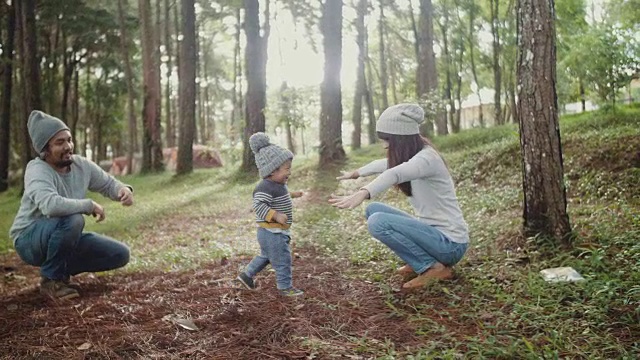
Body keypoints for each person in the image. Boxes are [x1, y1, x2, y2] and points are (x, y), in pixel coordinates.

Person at [329, 103, 469, 289]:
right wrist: (355, 173)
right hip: (433, 235)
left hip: (450, 244)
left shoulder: (426, 159)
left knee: (378, 222)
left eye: (387, 140)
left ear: (401, 139)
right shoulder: (415, 155)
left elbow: (393, 173)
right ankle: (421, 258)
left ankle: (433, 268)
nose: (384, 146)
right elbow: (383, 164)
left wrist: (364, 192)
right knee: (373, 210)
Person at [9, 110, 133, 300]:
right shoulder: (37, 170)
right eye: (59, 142)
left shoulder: (80, 165)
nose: (68, 146)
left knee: (119, 254)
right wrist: (89, 205)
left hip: (62, 235)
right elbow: (51, 206)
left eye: (69, 139)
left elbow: (107, 183)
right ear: (45, 149)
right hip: (29, 239)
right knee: (73, 219)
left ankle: (59, 269)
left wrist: (123, 190)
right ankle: (51, 281)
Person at [236, 132, 304, 297]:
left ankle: (246, 275)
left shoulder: (278, 184)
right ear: (272, 170)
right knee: (282, 260)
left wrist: (293, 194)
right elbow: (259, 205)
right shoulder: (265, 187)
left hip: (271, 232)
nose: (289, 172)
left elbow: (280, 196)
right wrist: (276, 215)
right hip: (272, 232)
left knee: (266, 256)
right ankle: (285, 287)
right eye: (286, 168)